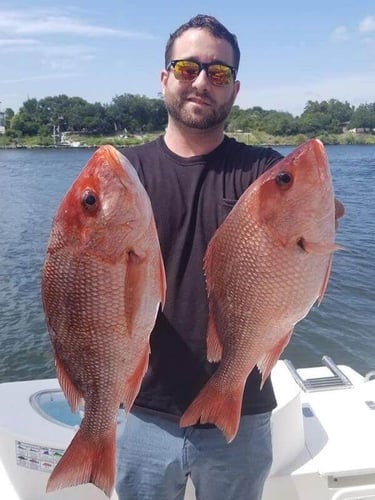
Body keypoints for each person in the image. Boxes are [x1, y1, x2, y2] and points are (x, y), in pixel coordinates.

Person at [115, 14, 342, 500]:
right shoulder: (124, 175)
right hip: (144, 409)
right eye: (187, 68)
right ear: (164, 78)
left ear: (234, 90)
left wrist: (319, 207)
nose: (201, 82)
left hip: (244, 407)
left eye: (218, 73)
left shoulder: (263, 170)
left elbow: (315, 216)